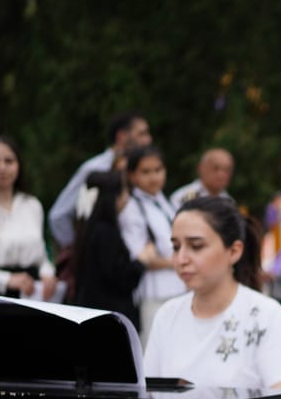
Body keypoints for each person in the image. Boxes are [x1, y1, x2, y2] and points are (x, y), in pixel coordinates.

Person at [144, 197, 281, 391]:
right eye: (176, 247)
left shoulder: (267, 317)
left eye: (196, 246)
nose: (181, 259)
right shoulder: (167, 315)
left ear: (234, 251)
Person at [47, 111, 151, 249]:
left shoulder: (143, 169)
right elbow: (58, 216)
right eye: (142, 134)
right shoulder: (95, 169)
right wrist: (77, 252)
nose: (148, 140)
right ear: (121, 136)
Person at [0, 136, 60, 301]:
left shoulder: (32, 204)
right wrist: (8, 280)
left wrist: (48, 274)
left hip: (33, 292)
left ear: (19, 165)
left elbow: (41, 253)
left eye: (9, 161)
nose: (2, 168)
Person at [119, 145, 182, 334]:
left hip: (179, 287)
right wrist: (174, 262)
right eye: (145, 172)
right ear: (132, 176)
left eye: (158, 170)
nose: (154, 177)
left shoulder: (165, 201)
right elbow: (141, 256)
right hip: (153, 292)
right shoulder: (132, 208)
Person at [70, 171, 143, 323]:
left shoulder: (87, 227)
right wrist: (141, 263)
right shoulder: (105, 232)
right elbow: (118, 278)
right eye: (124, 190)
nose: (127, 196)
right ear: (113, 197)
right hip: (108, 316)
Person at [169, 147, 236, 209]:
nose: (221, 175)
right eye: (216, 168)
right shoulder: (182, 197)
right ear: (201, 168)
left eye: (227, 170)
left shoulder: (229, 201)